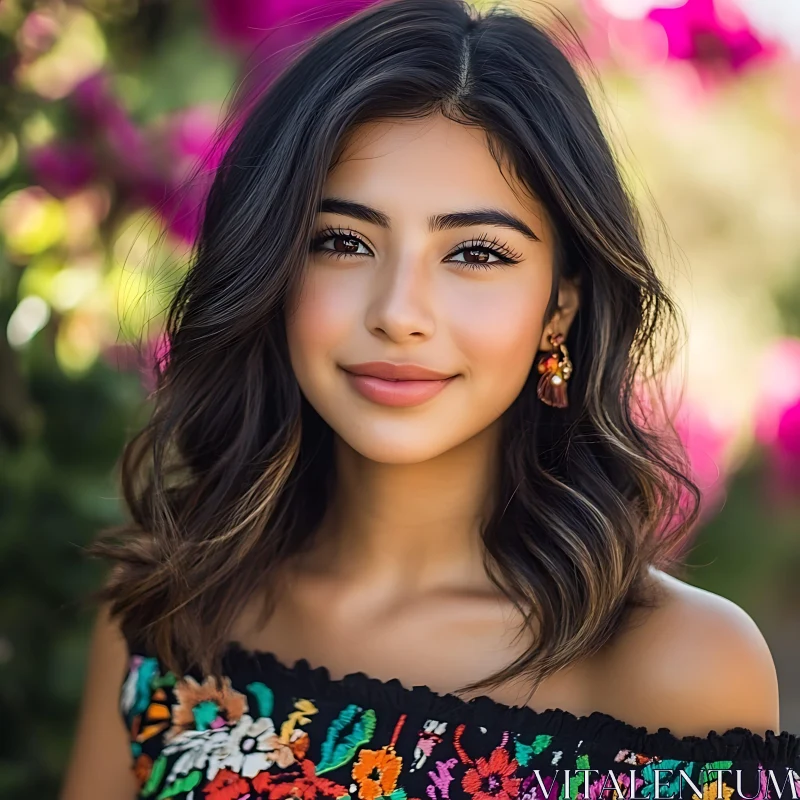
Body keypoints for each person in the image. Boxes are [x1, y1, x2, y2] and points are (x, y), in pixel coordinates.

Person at [62, 1, 800, 798]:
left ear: (561, 306)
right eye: (343, 242)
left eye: (476, 252)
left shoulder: (678, 667)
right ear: (273, 266)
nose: (400, 313)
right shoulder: (168, 607)